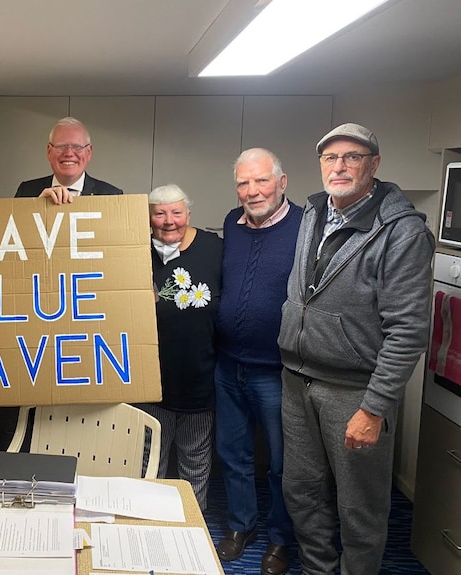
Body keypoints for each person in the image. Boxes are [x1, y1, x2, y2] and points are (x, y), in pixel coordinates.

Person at [277, 123, 434, 575]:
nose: (339, 166)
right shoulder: (314, 211)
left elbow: (407, 331)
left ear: (374, 164)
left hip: (353, 391)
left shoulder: (401, 233)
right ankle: (318, 569)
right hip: (297, 380)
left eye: (352, 157)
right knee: (302, 491)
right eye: (330, 158)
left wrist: (375, 408)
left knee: (359, 507)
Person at [214, 149, 300, 575]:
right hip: (228, 365)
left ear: (282, 183)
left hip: (278, 371)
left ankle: (281, 541)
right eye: (244, 183)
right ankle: (241, 526)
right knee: (234, 454)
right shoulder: (232, 222)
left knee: (283, 464)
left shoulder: (306, 226)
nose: (253, 191)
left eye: (262, 181)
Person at [133, 184, 222, 510]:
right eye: (160, 213)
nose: (169, 221)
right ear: (148, 218)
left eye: (177, 212)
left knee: (195, 462)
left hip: (200, 378)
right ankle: (143, 525)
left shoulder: (215, 248)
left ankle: (191, 527)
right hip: (149, 382)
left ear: (189, 214)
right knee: (147, 460)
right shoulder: (134, 250)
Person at [15, 117, 123, 198]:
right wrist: (35, 206)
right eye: (61, 146)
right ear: (49, 151)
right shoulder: (26, 192)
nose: (69, 153)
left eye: (77, 147)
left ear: (89, 152)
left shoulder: (112, 196)